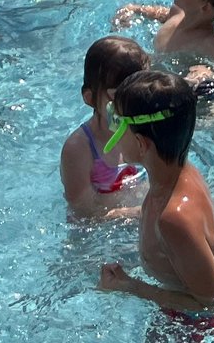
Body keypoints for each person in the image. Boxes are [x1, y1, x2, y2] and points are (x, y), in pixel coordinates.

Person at [96, 70, 214, 327]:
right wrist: (132, 213)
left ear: (141, 143)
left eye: (117, 121)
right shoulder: (179, 174)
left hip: (197, 330)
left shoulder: (174, 218)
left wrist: (131, 286)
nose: (111, 128)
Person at [62, 36, 151, 216]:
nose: (132, 105)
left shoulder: (146, 130)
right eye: (118, 97)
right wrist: (139, 213)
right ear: (90, 98)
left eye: (139, 94)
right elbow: (84, 213)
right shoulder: (79, 149)